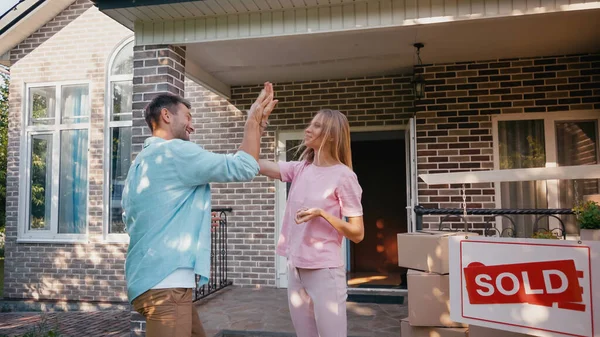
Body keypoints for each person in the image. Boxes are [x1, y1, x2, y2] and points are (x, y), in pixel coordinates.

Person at [122, 82, 278, 337]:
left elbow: (137, 217)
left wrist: (194, 219)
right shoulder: (175, 151)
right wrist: (252, 121)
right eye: (188, 117)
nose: (192, 124)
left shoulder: (141, 161)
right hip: (166, 287)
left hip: (151, 282)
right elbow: (244, 167)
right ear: (166, 116)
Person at [258, 108, 365, 337]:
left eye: (316, 125)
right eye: (311, 124)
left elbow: (357, 233)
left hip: (324, 271)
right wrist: (256, 127)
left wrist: (322, 214)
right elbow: (253, 163)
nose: (308, 129)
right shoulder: (300, 169)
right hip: (295, 267)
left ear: (333, 135)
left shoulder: (344, 176)